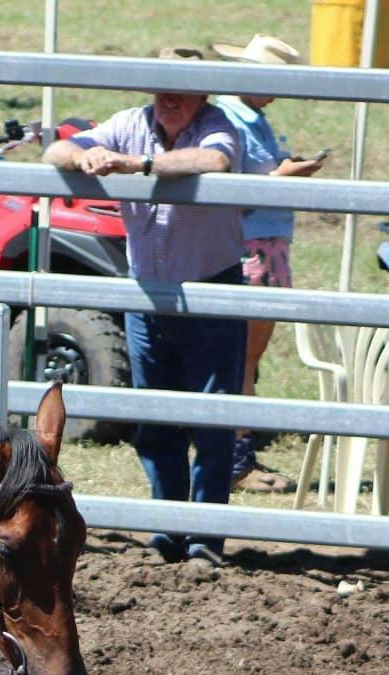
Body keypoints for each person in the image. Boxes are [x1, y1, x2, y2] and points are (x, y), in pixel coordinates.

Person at [42, 48, 243, 565]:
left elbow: (214, 160)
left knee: (211, 419)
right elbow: (56, 151)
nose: (169, 98)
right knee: (154, 420)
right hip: (146, 293)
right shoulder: (130, 122)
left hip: (210, 291)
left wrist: (138, 165)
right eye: (161, 87)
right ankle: (167, 531)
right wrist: (84, 156)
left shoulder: (216, 125)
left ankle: (205, 539)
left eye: (181, 90)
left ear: (203, 95)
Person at [212, 33, 325, 495]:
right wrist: (284, 175)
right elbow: (237, 188)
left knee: (247, 356)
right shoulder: (232, 120)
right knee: (242, 356)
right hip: (251, 243)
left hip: (266, 242)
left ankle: (236, 453)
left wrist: (283, 171)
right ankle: (235, 461)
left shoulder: (249, 117)